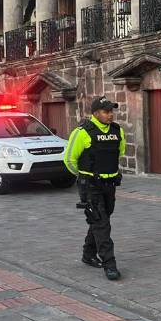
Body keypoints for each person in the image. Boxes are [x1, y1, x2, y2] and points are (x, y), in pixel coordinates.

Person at [64, 96, 126, 281]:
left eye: (112, 111)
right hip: (91, 186)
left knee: (100, 220)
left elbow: (120, 152)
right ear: (96, 113)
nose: (111, 115)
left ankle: (88, 254)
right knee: (102, 224)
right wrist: (84, 177)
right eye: (107, 111)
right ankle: (110, 264)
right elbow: (69, 160)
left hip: (110, 184)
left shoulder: (117, 131)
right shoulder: (82, 132)